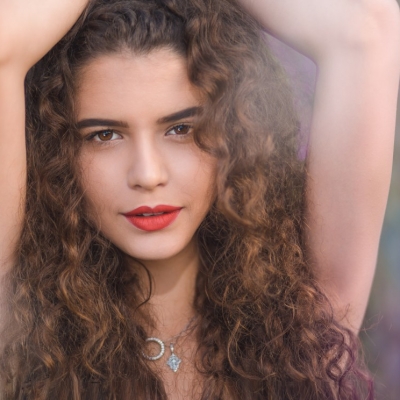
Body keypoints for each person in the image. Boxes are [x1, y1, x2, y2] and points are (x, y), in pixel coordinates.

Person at [0, 0, 399, 398]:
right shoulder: (19, 325)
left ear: (235, 133)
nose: (148, 174)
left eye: (181, 129)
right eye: (105, 135)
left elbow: (366, 26)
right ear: (56, 153)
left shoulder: (303, 311)